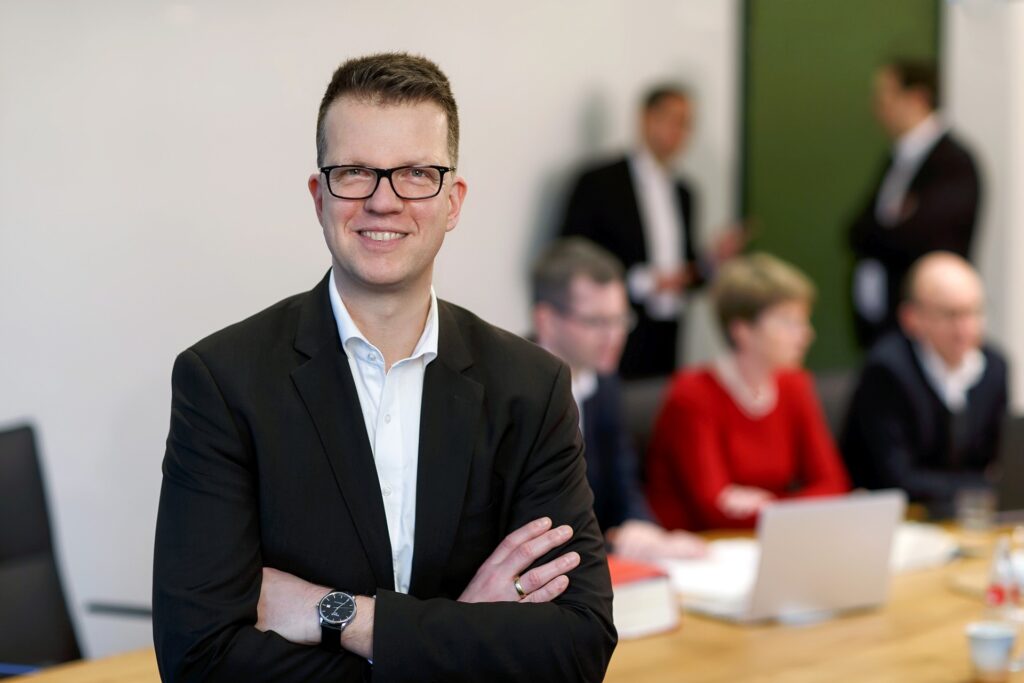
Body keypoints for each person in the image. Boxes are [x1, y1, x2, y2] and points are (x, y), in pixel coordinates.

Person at [152, 53, 615, 682]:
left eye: (417, 174)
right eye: (354, 173)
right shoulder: (222, 382)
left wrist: (346, 617)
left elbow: (579, 644)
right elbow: (200, 661)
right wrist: (463, 632)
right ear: (319, 196)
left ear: (453, 201)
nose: (383, 201)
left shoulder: (531, 388)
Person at [646, 254, 850, 531]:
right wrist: (792, 507)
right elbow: (712, 508)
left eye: (803, 321)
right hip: (697, 543)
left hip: (764, 536)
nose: (805, 334)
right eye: (788, 322)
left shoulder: (795, 386)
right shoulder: (692, 394)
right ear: (742, 330)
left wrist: (768, 506)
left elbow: (834, 484)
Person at [531, 238, 706, 560]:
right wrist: (613, 545)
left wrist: (643, 530)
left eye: (621, 319)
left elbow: (622, 481)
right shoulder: (513, 389)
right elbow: (533, 519)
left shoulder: (605, 382)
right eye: (597, 322)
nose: (614, 336)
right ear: (547, 320)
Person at [560, 85, 742, 379]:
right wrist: (644, 282)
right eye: (671, 119)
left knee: (656, 400)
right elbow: (572, 256)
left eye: (686, 123)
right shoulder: (599, 182)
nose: (679, 131)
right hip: (612, 327)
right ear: (646, 118)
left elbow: (686, 268)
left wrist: (709, 263)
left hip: (668, 331)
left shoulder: (684, 192)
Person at [841, 252, 1007, 517]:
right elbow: (895, 477)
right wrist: (980, 487)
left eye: (974, 312)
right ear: (911, 318)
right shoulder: (887, 370)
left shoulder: (994, 367)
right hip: (892, 518)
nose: (964, 328)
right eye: (950, 315)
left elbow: (997, 462)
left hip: (964, 516)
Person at [849, 58, 981, 348]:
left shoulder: (951, 162)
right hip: (883, 324)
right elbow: (857, 230)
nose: (878, 108)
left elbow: (919, 237)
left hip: (924, 327)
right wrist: (889, 224)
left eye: (886, 97)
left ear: (917, 98)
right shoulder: (897, 158)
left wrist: (884, 229)